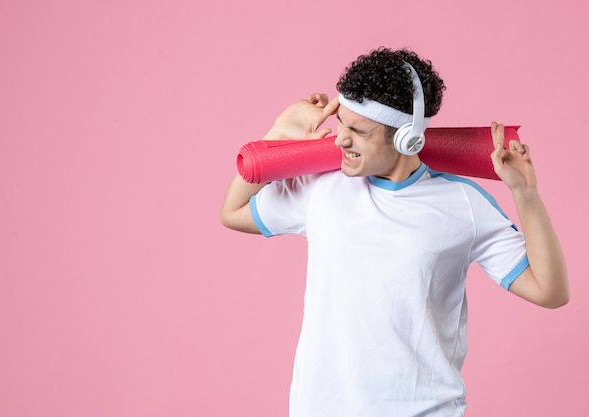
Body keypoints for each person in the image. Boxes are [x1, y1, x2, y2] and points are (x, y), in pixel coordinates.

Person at [219, 47, 569, 417]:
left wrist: (525, 194)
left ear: (407, 139)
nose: (339, 140)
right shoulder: (324, 187)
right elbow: (233, 211)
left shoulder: (462, 203)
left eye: (358, 130)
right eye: (342, 124)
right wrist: (278, 134)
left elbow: (550, 291)